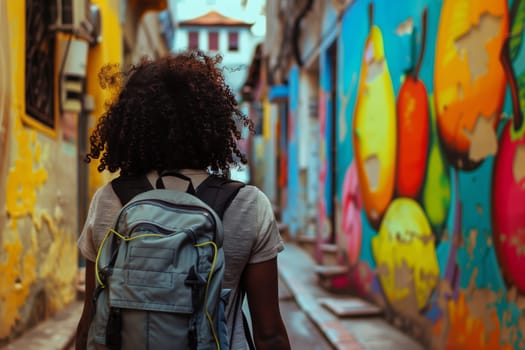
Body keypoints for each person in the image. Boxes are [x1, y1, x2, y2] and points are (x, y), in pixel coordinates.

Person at [75, 50, 291, 350]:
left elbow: (89, 321)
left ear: (130, 124)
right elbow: (269, 334)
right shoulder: (249, 205)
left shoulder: (109, 201)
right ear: (213, 124)